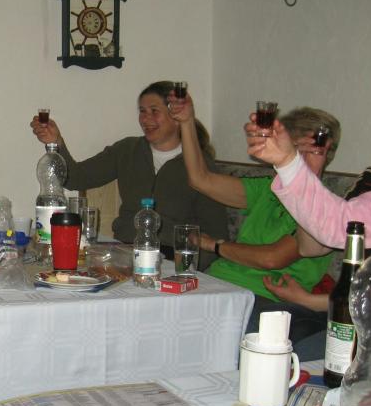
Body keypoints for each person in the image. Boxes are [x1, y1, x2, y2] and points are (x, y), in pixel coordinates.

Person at [168, 95, 338, 358]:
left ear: (325, 155)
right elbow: (200, 180)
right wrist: (187, 122)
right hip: (218, 284)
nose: (300, 158)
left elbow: (272, 258)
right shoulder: (268, 188)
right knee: (157, 307)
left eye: (311, 151)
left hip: (264, 299)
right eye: (294, 148)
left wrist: (215, 245)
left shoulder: (327, 207)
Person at [30, 81, 227, 270]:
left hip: (171, 259)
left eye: (154, 111)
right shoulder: (127, 150)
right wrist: (56, 142)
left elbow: (216, 233)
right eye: (142, 111)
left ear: (177, 117)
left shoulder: (201, 167)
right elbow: (75, 178)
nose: (145, 119)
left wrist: (188, 268)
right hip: (124, 252)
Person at [246, 115, 371, 249]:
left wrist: (290, 163)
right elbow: (337, 231)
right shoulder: (370, 178)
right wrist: (287, 162)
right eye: (296, 147)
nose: (301, 153)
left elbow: (274, 257)